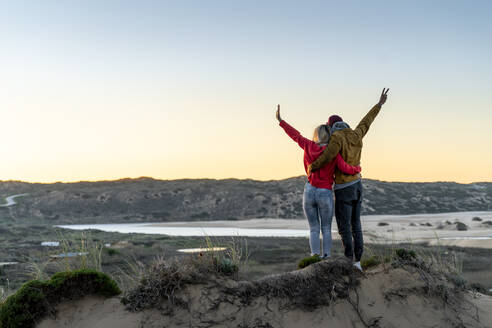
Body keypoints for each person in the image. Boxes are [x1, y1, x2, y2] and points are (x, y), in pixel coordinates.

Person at [307, 88, 390, 271]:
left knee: (344, 227)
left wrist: (313, 167)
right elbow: (367, 122)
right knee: (356, 225)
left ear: (330, 127)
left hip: (344, 188)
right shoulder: (356, 133)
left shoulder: (336, 138)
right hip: (358, 186)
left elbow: (328, 156)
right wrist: (379, 104)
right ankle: (358, 262)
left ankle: (349, 260)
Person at [276, 105, 361, 258]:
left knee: (313, 229)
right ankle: (326, 257)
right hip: (325, 193)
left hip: (309, 191)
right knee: (326, 228)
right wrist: (357, 169)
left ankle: (314, 256)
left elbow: (294, 135)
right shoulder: (332, 152)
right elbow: (346, 168)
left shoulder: (308, 145)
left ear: (315, 135)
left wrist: (281, 121)